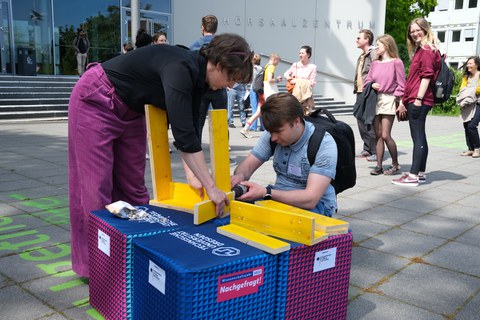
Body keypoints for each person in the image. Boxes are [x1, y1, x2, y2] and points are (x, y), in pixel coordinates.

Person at [68, 33, 253, 278]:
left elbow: (190, 132)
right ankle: (95, 270)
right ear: (218, 64)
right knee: (95, 191)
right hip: (97, 98)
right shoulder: (180, 68)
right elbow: (184, 135)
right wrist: (211, 187)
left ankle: (130, 255)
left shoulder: (201, 81)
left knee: (134, 189)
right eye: (231, 78)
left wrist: (194, 177)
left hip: (131, 110)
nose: (230, 86)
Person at [231, 92, 337, 217]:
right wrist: (240, 176)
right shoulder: (272, 134)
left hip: (317, 205)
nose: (274, 137)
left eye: (278, 132)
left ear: (296, 121)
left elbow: (310, 199)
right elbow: (247, 166)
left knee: (272, 229)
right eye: (270, 132)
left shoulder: (323, 143)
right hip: (278, 196)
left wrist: (266, 192)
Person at [392, 17, 441, 187]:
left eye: (417, 29)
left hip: (419, 99)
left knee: (417, 136)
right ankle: (419, 173)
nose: (414, 34)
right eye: (412, 31)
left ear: (425, 29)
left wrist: (418, 98)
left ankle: (413, 176)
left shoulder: (426, 50)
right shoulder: (423, 49)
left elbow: (426, 76)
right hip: (417, 98)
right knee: (420, 135)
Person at [363, 34, 405, 176]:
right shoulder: (375, 63)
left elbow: (401, 84)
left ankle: (395, 164)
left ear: (386, 46)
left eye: (378, 45)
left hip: (389, 99)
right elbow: (367, 80)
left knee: (386, 135)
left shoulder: (396, 62)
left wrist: (400, 102)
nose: (376, 47)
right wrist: (371, 83)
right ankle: (379, 166)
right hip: (375, 99)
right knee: (378, 135)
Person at [240, 53, 281, 139]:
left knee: (258, 112)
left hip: (263, 92)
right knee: (275, 110)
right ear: (275, 59)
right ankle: (274, 130)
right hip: (268, 92)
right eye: (278, 60)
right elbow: (270, 80)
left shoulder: (266, 66)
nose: (278, 63)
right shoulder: (271, 66)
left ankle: (245, 128)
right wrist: (277, 80)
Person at [353, 29, 378, 162]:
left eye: (359, 38)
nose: (356, 40)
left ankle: (374, 150)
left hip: (369, 90)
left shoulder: (373, 53)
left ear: (366, 39)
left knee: (369, 120)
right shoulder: (362, 55)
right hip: (360, 91)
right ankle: (367, 148)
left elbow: (377, 69)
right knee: (360, 118)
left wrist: (373, 84)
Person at [283, 45, 317, 115]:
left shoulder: (312, 67)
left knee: (305, 116)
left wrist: (298, 81)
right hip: (294, 95)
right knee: (293, 115)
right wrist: (289, 78)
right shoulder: (295, 65)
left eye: (302, 53)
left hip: (306, 96)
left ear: (308, 55)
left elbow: (312, 82)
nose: (300, 55)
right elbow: (286, 74)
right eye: (299, 53)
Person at [458, 56, 480, 158]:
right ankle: (470, 149)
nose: (468, 65)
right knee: (466, 126)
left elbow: (478, 90)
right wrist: (471, 91)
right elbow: (462, 89)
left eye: (470, 63)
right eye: (468, 63)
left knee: (472, 126)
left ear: (477, 65)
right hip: (468, 104)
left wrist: (470, 91)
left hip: (478, 103)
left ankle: (477, 149)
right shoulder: (466, 77)